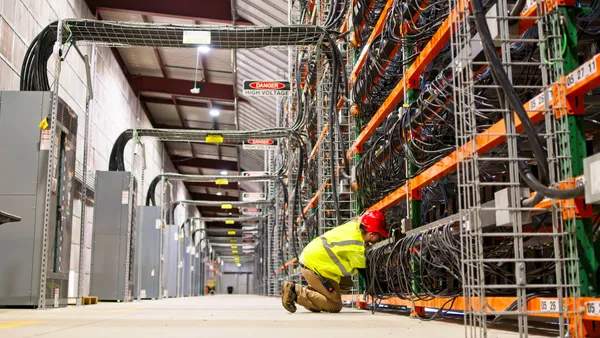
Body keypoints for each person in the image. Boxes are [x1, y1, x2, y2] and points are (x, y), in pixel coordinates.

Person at [281, 210, 388, 313]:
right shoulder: (356, 246)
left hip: (315, 260)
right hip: (313, 266)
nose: (379, 239)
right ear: (371, 235)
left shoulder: (355, 226)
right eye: (378, 235)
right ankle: (294, 291)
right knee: (334, 305)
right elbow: (366, 273)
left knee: (346, 283)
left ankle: (316, 296)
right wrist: (381, 287)